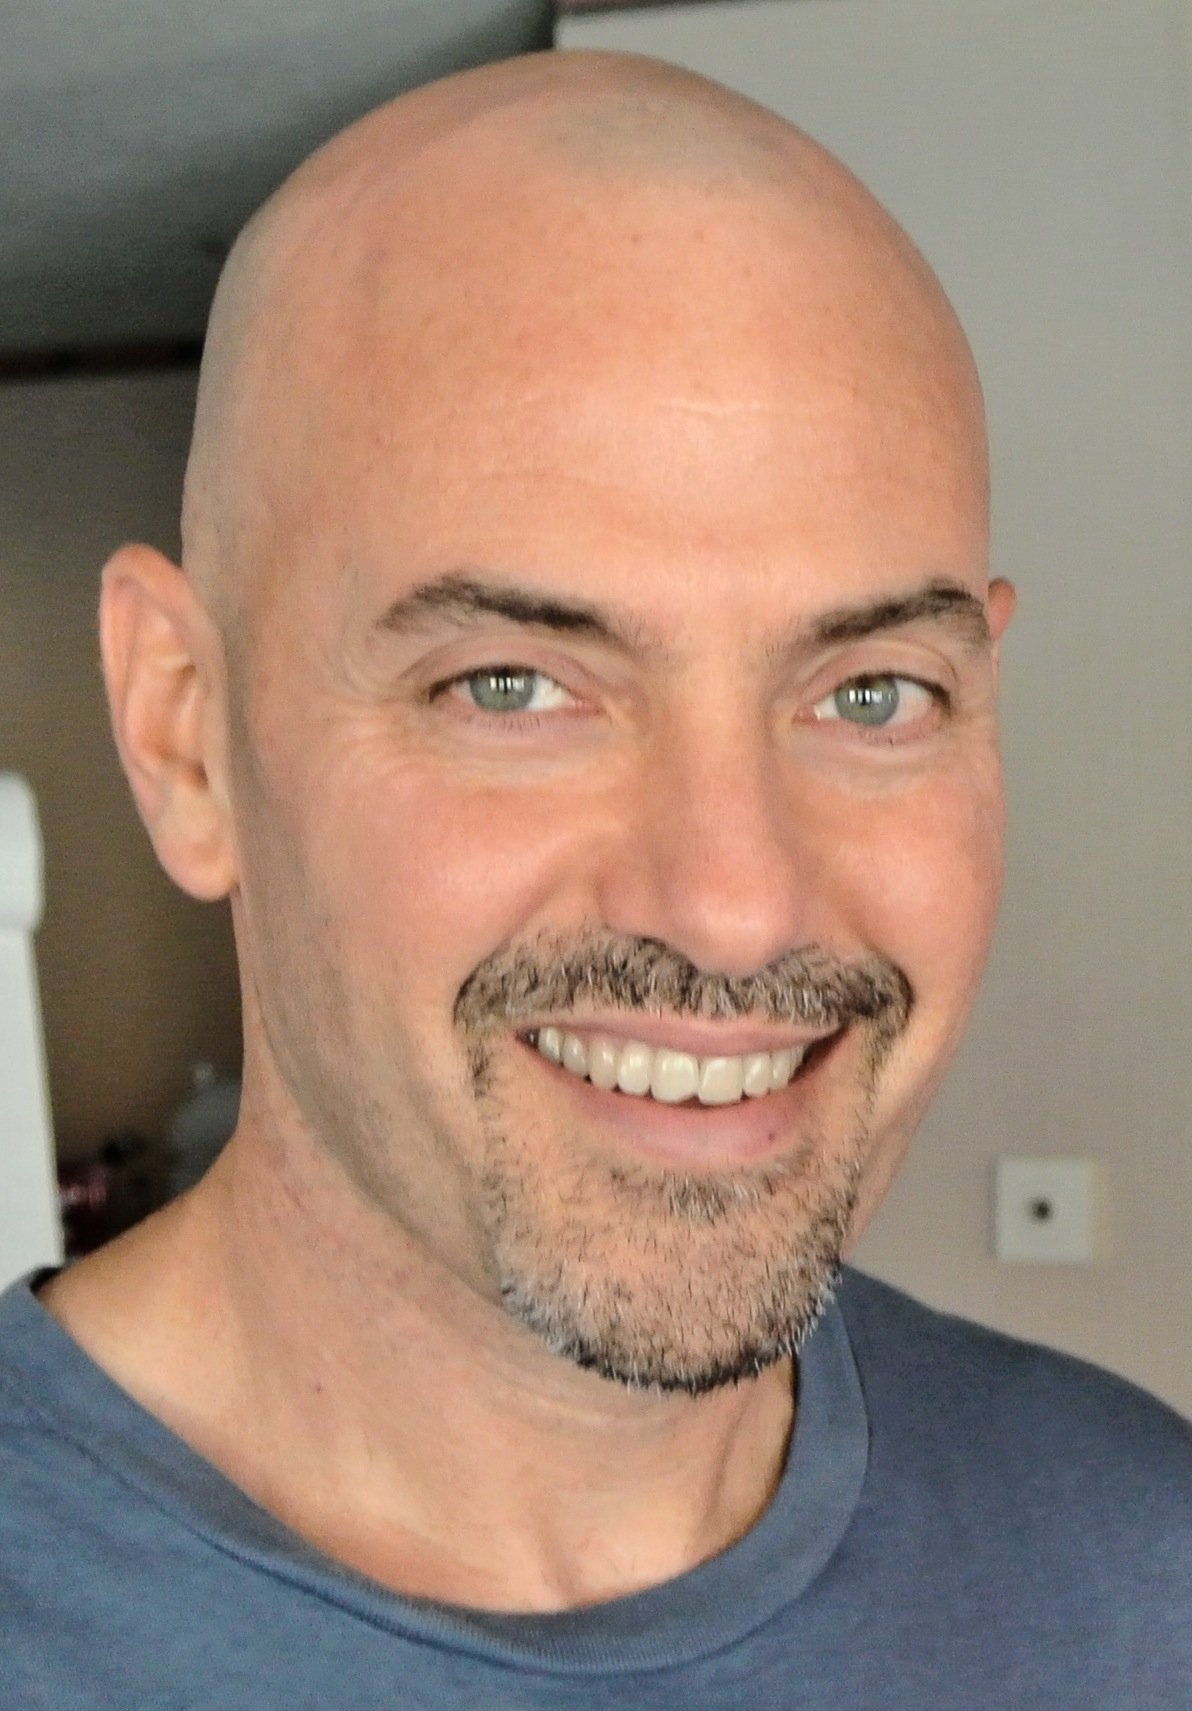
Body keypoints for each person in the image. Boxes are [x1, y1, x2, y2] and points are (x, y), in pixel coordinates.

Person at [2, 48, 1188, 1709]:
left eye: (869, 694)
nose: (734, 906)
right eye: (511, 686)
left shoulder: (1142, 1571)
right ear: (183, 734)